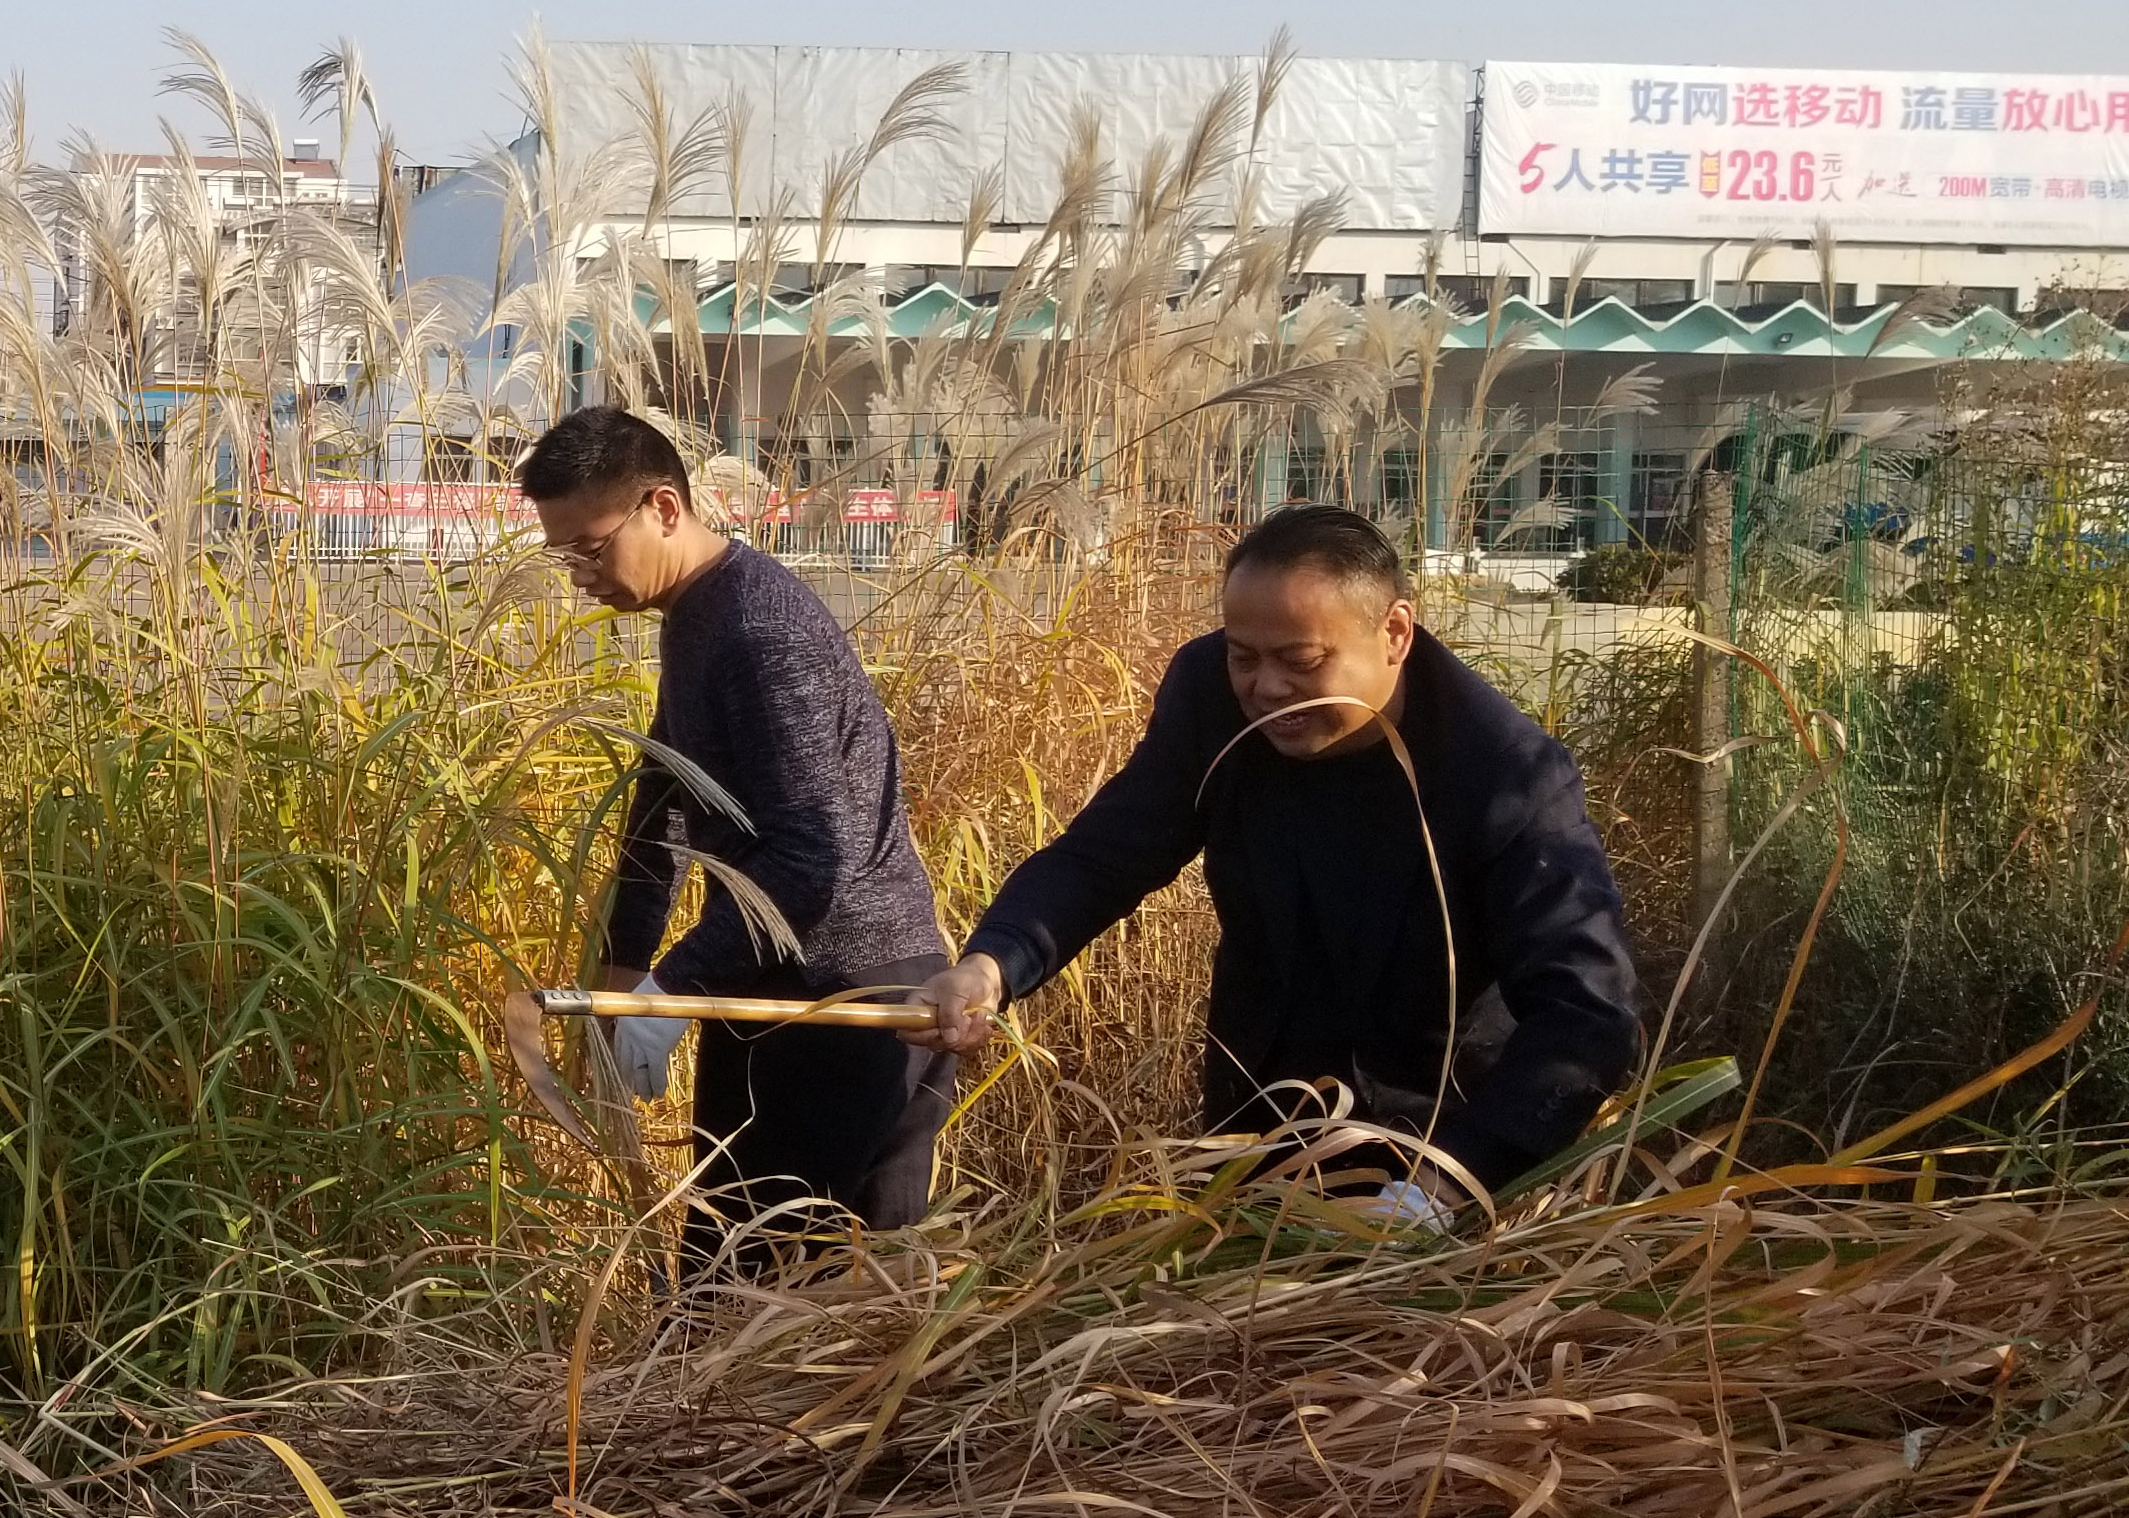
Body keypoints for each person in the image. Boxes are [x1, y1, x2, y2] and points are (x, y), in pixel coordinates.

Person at [919, 503, 1642, 1219]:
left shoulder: (1504, 774)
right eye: (1243, 655)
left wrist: (1443, 1188)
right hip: (1253, 1128)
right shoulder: (1209, 695)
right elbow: (1106, 855)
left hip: (1439, 1147)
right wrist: (992, 964)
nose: (1265, 689)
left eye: (1301, 662)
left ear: (1395, 632)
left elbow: (1589, 1011)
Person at [518, 405, 954, 1244]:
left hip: (851, 1001)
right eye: (561, 556)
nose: (578, 576)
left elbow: (811, 860)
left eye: (589, 549)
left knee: (782, 1286)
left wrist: (668, 994)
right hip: (773, 986)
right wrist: (621, 977)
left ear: (663, 508)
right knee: (734, 1269)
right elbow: (663, 808)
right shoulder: (698, 617)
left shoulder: (757, 630)